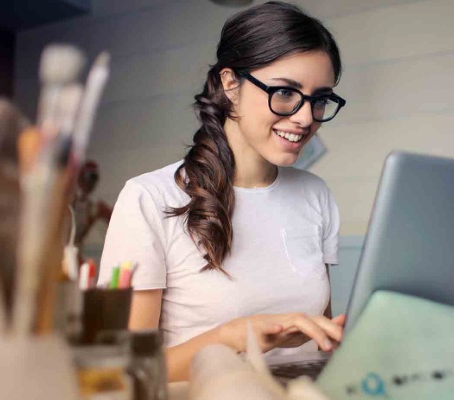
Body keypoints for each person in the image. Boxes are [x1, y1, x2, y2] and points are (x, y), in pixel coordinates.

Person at [99, 1, 347, 381]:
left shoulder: (315, 194)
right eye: (285, 93)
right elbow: (123, 371)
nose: (305, 117)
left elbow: (321, 337)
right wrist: (233, 337)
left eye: (320, 99)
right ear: (231, 83)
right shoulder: (148, 199)